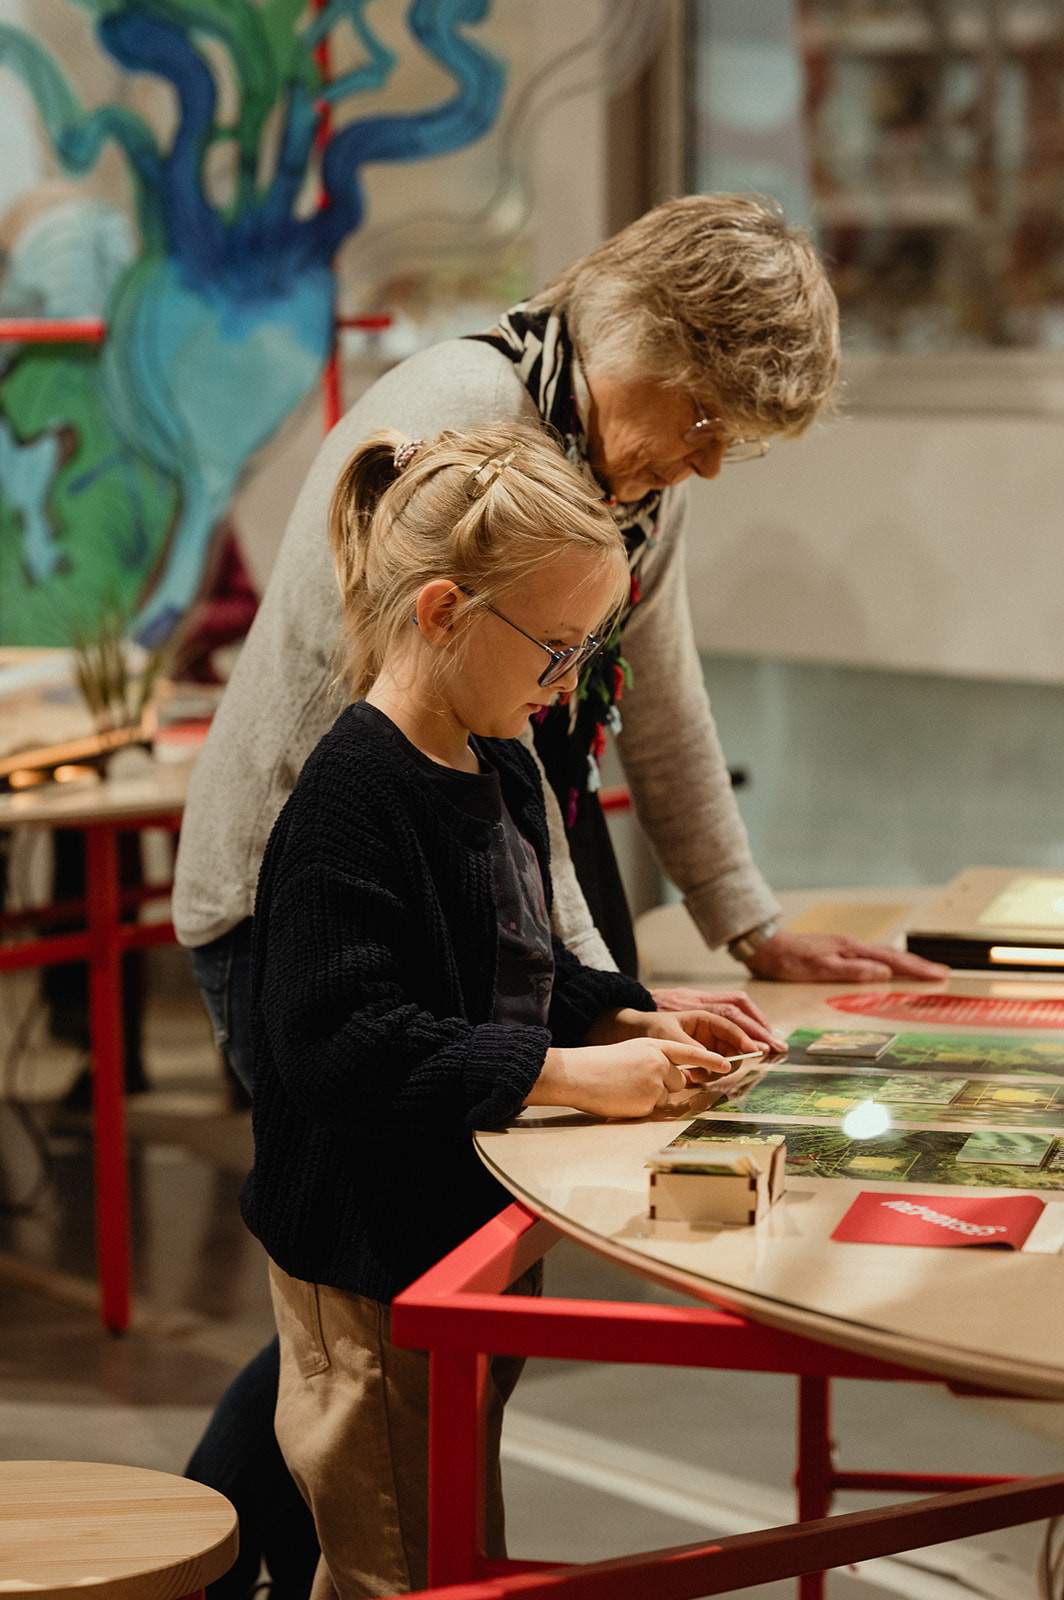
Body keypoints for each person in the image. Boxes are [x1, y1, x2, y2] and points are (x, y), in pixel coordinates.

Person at [177, 193, 946, 1598]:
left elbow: (654, 707)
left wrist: (730, 932)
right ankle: (229, 1561)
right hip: (315, 898)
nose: (703, 462)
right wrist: (566, 1035)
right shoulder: (468, 428)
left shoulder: (627, 477)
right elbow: (419, 763)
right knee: (359, 1290)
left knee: (411, 1304)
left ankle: (358, 1548)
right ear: (647, 335)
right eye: (704, 418)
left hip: (461, 912)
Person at [240, 421, 756, 1600]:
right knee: (395, 1558)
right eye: (555, 647)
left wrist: (627, 1017)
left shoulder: (501, 755)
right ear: (439, 612)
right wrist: (566, 1075)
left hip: (457, 1226)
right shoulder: (347, 801)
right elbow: (341, 1047)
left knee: (443, 1533)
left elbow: (513, 964)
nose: (568, 681)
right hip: (369, 1263)